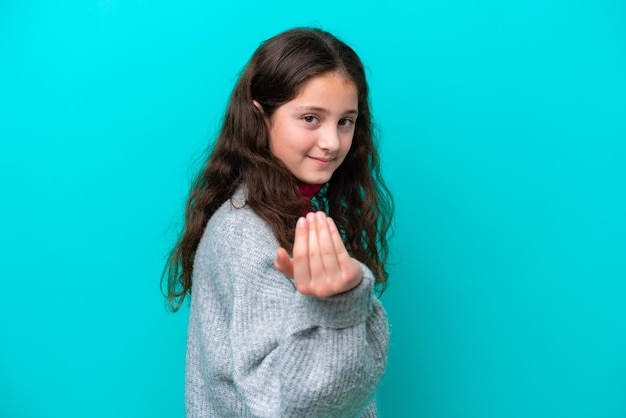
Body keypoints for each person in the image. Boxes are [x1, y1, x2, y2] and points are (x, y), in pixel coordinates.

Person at [162, 27, 394, 417]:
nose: (332, 142)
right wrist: (343, 303)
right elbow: (289, 406)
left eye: (345, 121)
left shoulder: (291, 212)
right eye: (310, 118)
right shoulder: (249, 234)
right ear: (260, 117)